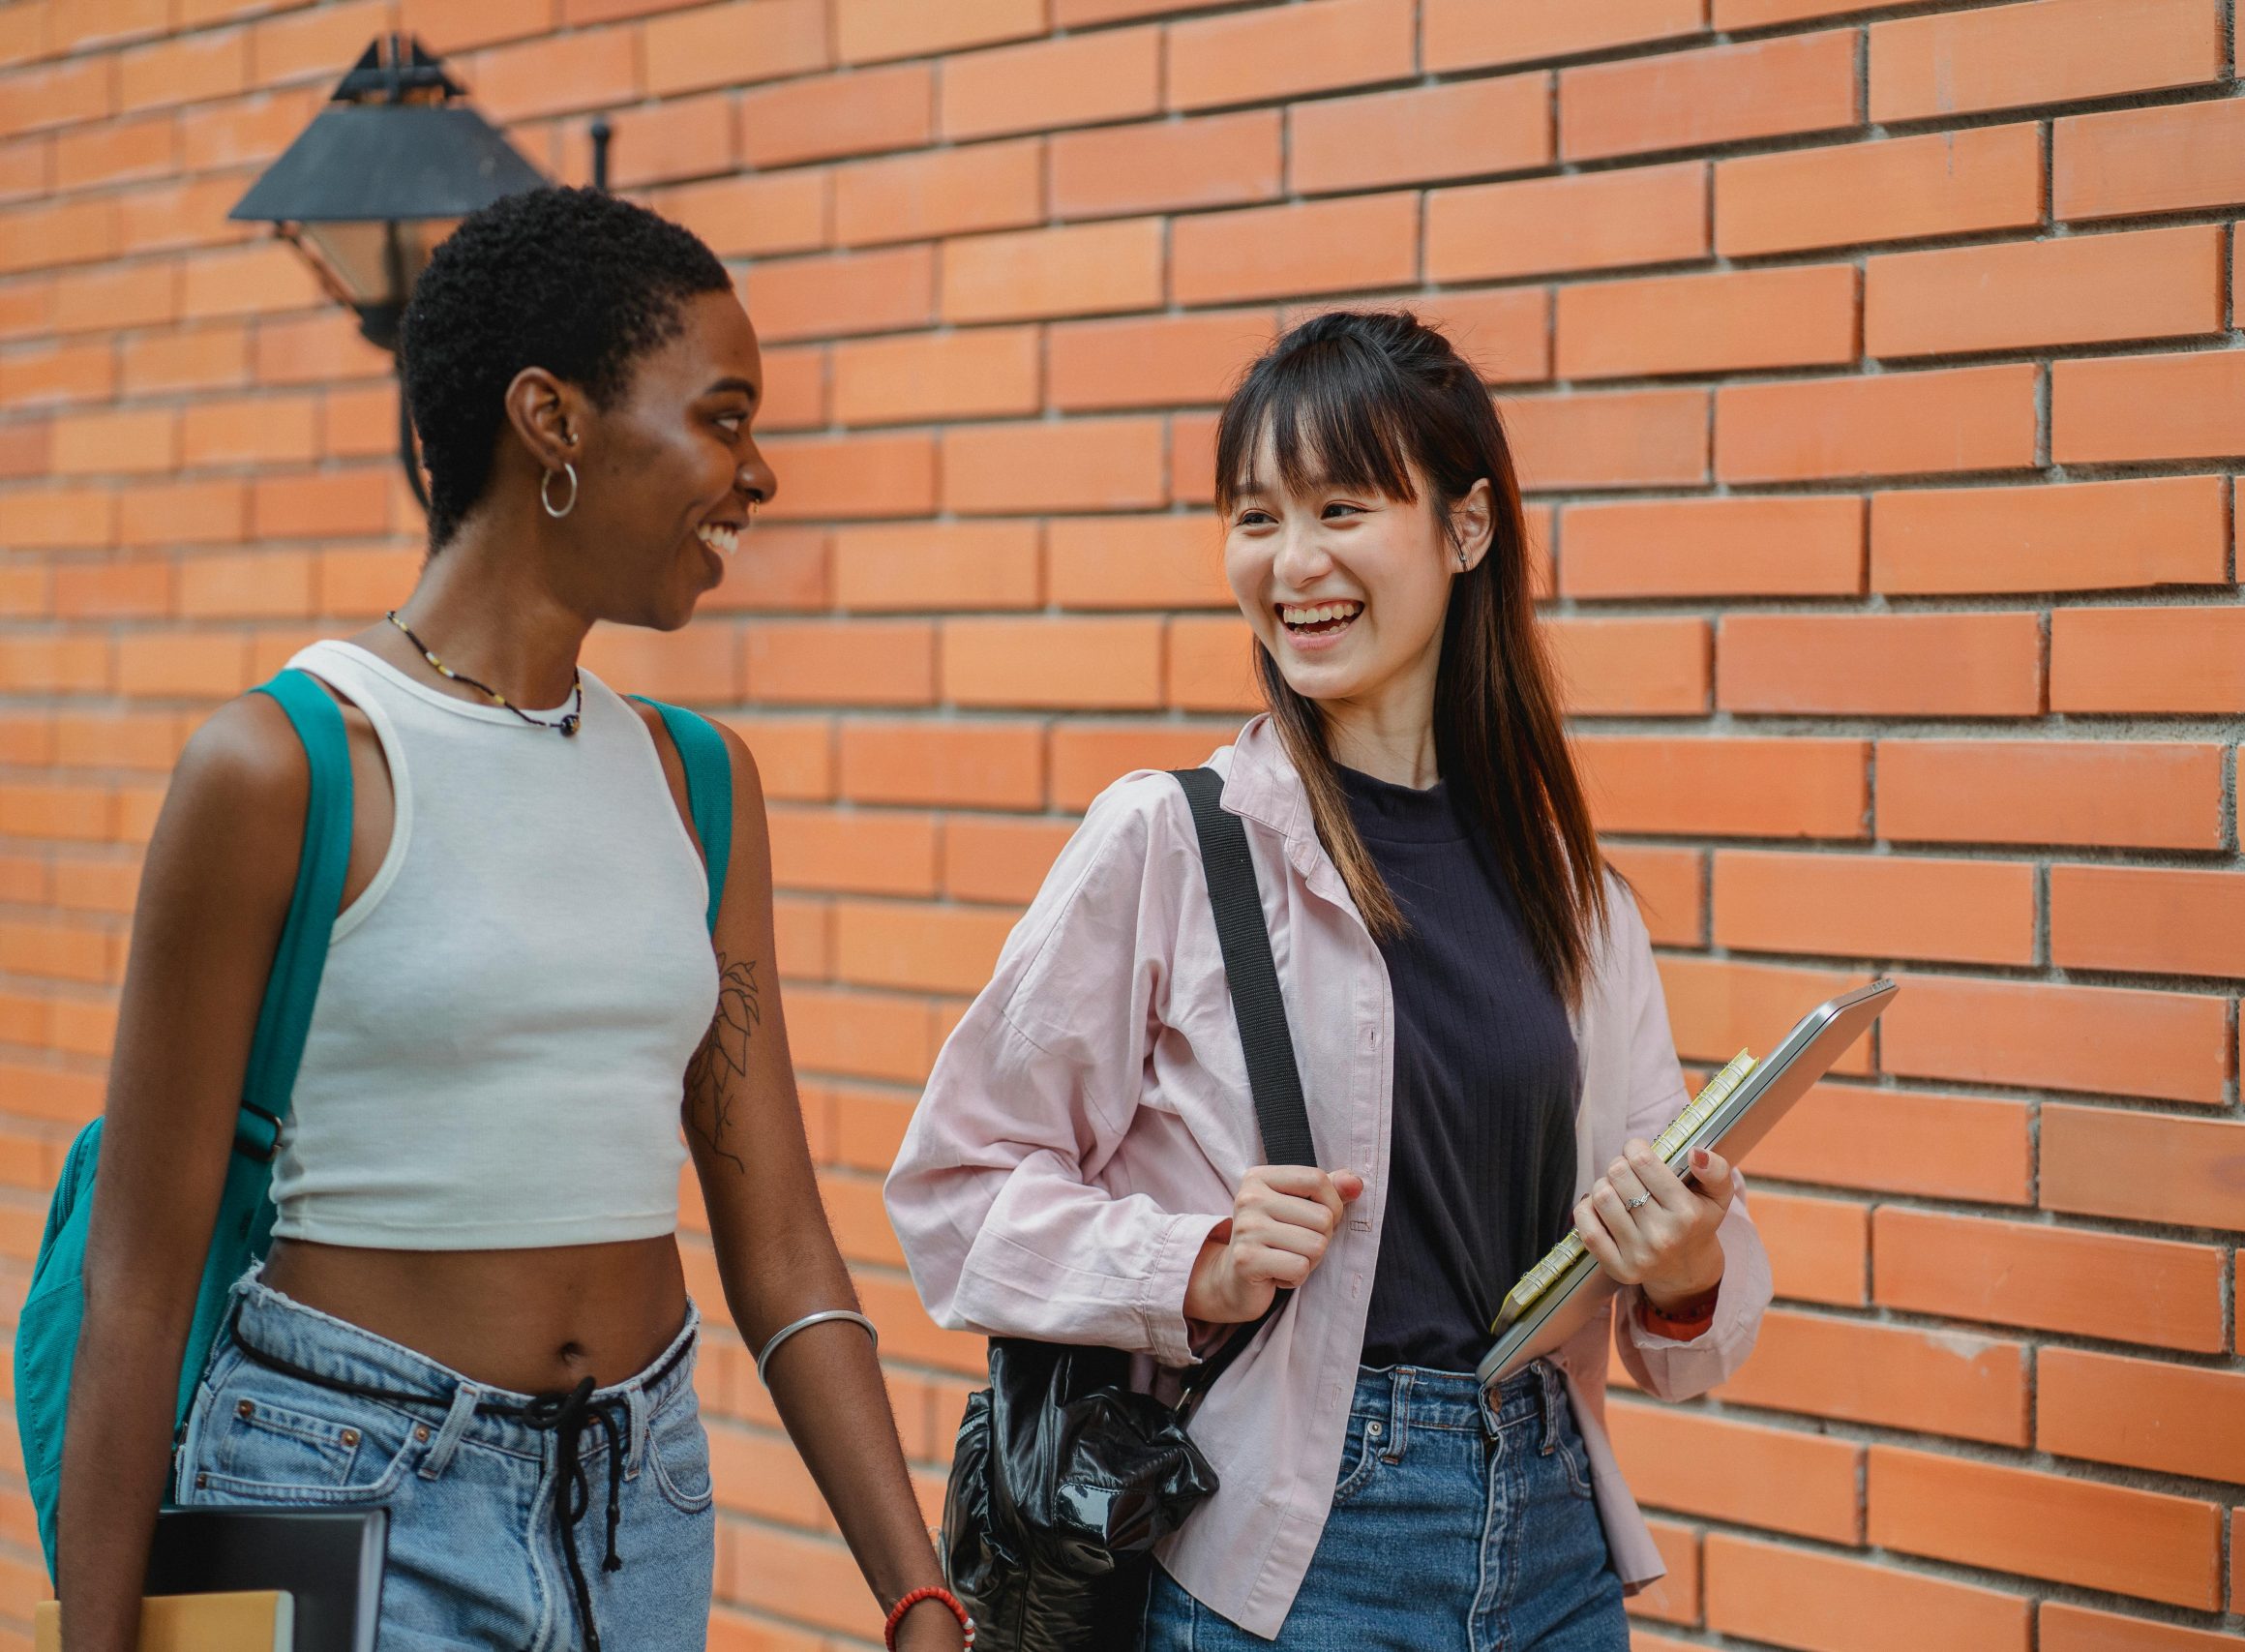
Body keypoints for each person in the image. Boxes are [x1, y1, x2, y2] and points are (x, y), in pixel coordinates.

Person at [55, 188, 968, 1652]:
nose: (760, 476)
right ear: (553, 420)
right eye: (723, 420)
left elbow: (783, 1245)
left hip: (639, 1509)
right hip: (338, 1495)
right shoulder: (286, 765)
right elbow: (136, 1277)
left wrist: (913, 1586)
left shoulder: (700, 786)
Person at [887, 310, 1772, 1650]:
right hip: (1296, 1556)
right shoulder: (1173, 841)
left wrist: (1687, 1261)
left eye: (1342, 507)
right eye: (1257, 517)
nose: (1293, 564)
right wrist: (1194, 1263)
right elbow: (952, 1193)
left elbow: (1688, 1341)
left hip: (1551, 1540)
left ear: (1466, 530)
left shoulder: (1578, 899)